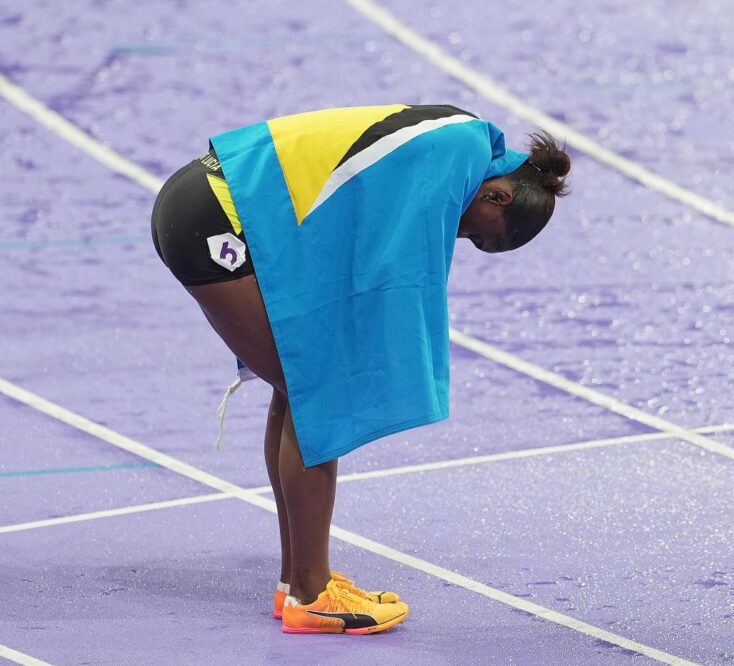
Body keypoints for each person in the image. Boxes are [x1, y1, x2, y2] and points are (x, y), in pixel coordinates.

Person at [150, 104, 570, 635]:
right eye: (477, 236)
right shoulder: (461, 151)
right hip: (213, 217)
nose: (463, 239)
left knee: (298, 385)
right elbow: (404, 267)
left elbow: (351, 232)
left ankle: (296, 581)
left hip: (211, 206)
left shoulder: (457, 142)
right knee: (320, 392)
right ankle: (312, 594)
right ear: (497, 196)